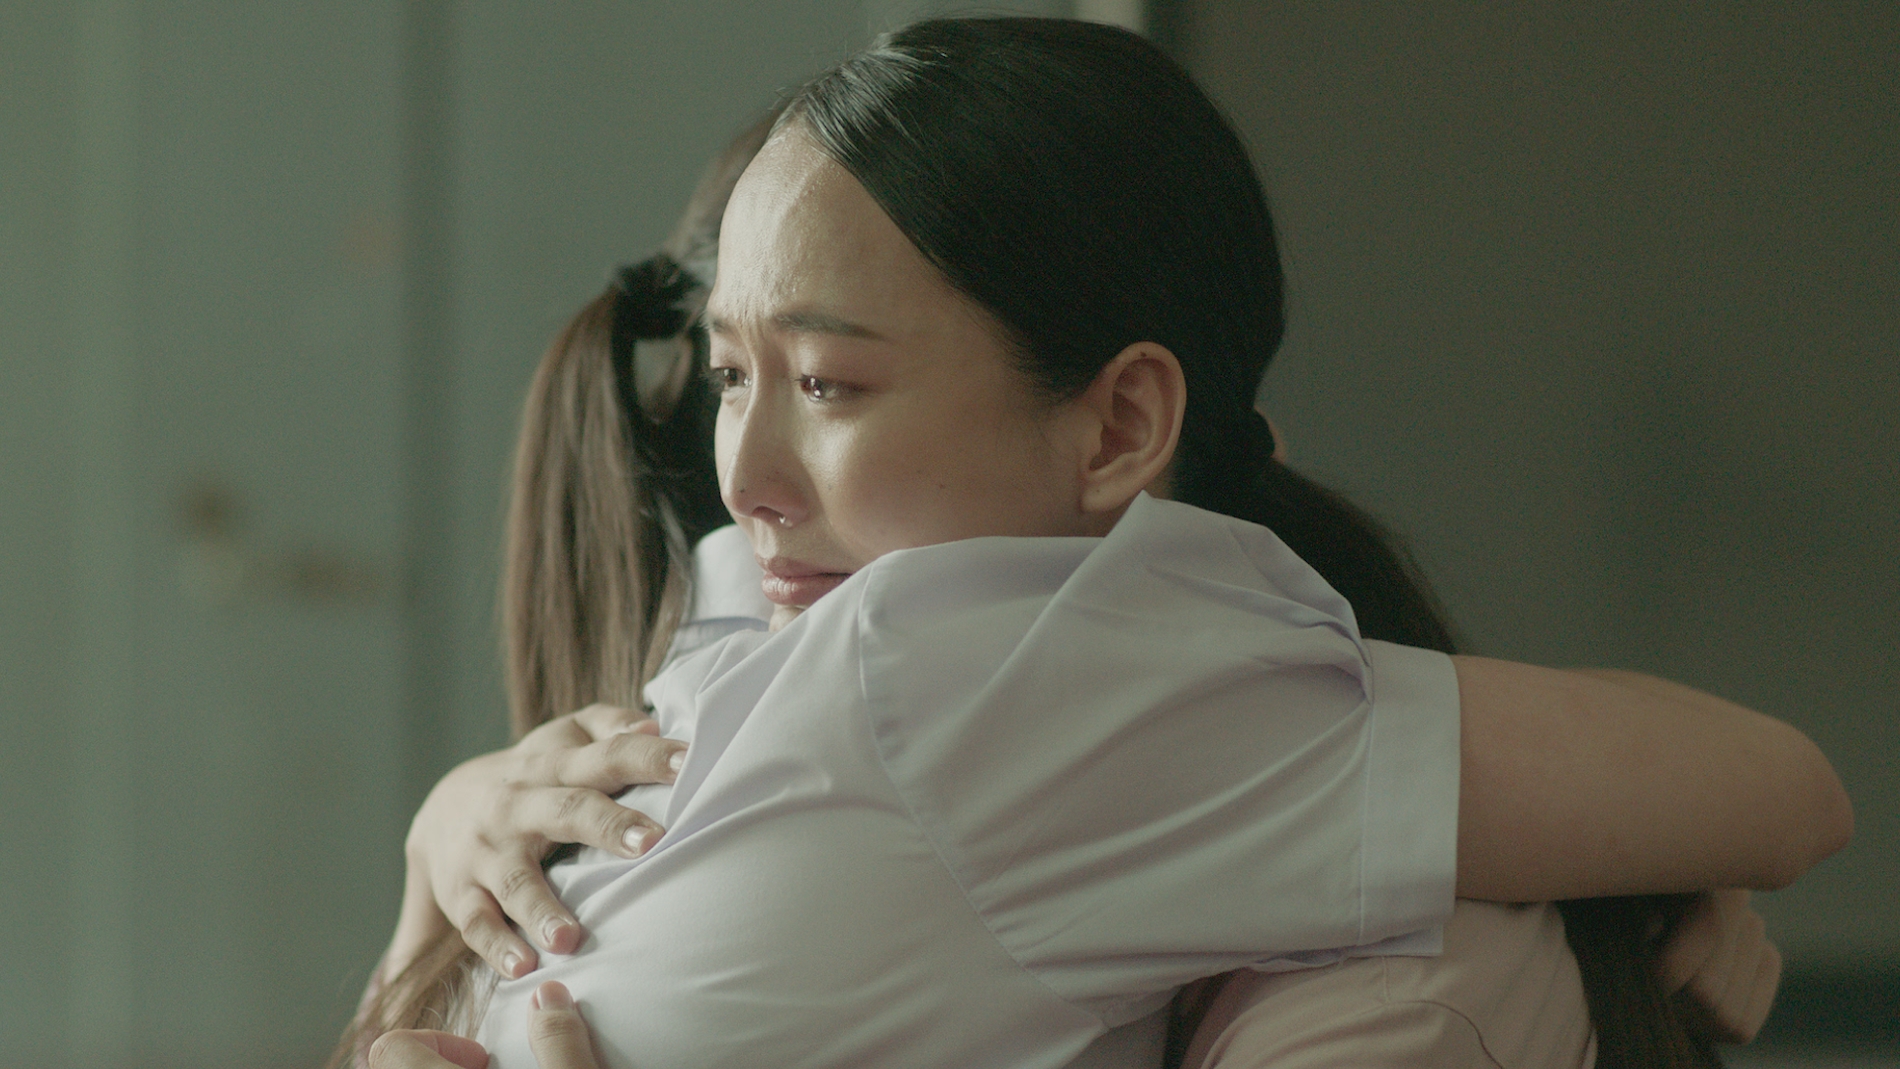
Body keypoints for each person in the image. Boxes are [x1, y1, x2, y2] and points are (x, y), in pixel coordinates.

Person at [337, 18, 1846, 1069]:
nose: (748, 478)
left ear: (1121, 423)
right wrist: (447, 825)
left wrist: (1632, 864)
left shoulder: (1008, 671)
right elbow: (1767, 791)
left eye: (830, 384)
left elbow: (1778, 795)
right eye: (734, 374)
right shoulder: (806, 618)